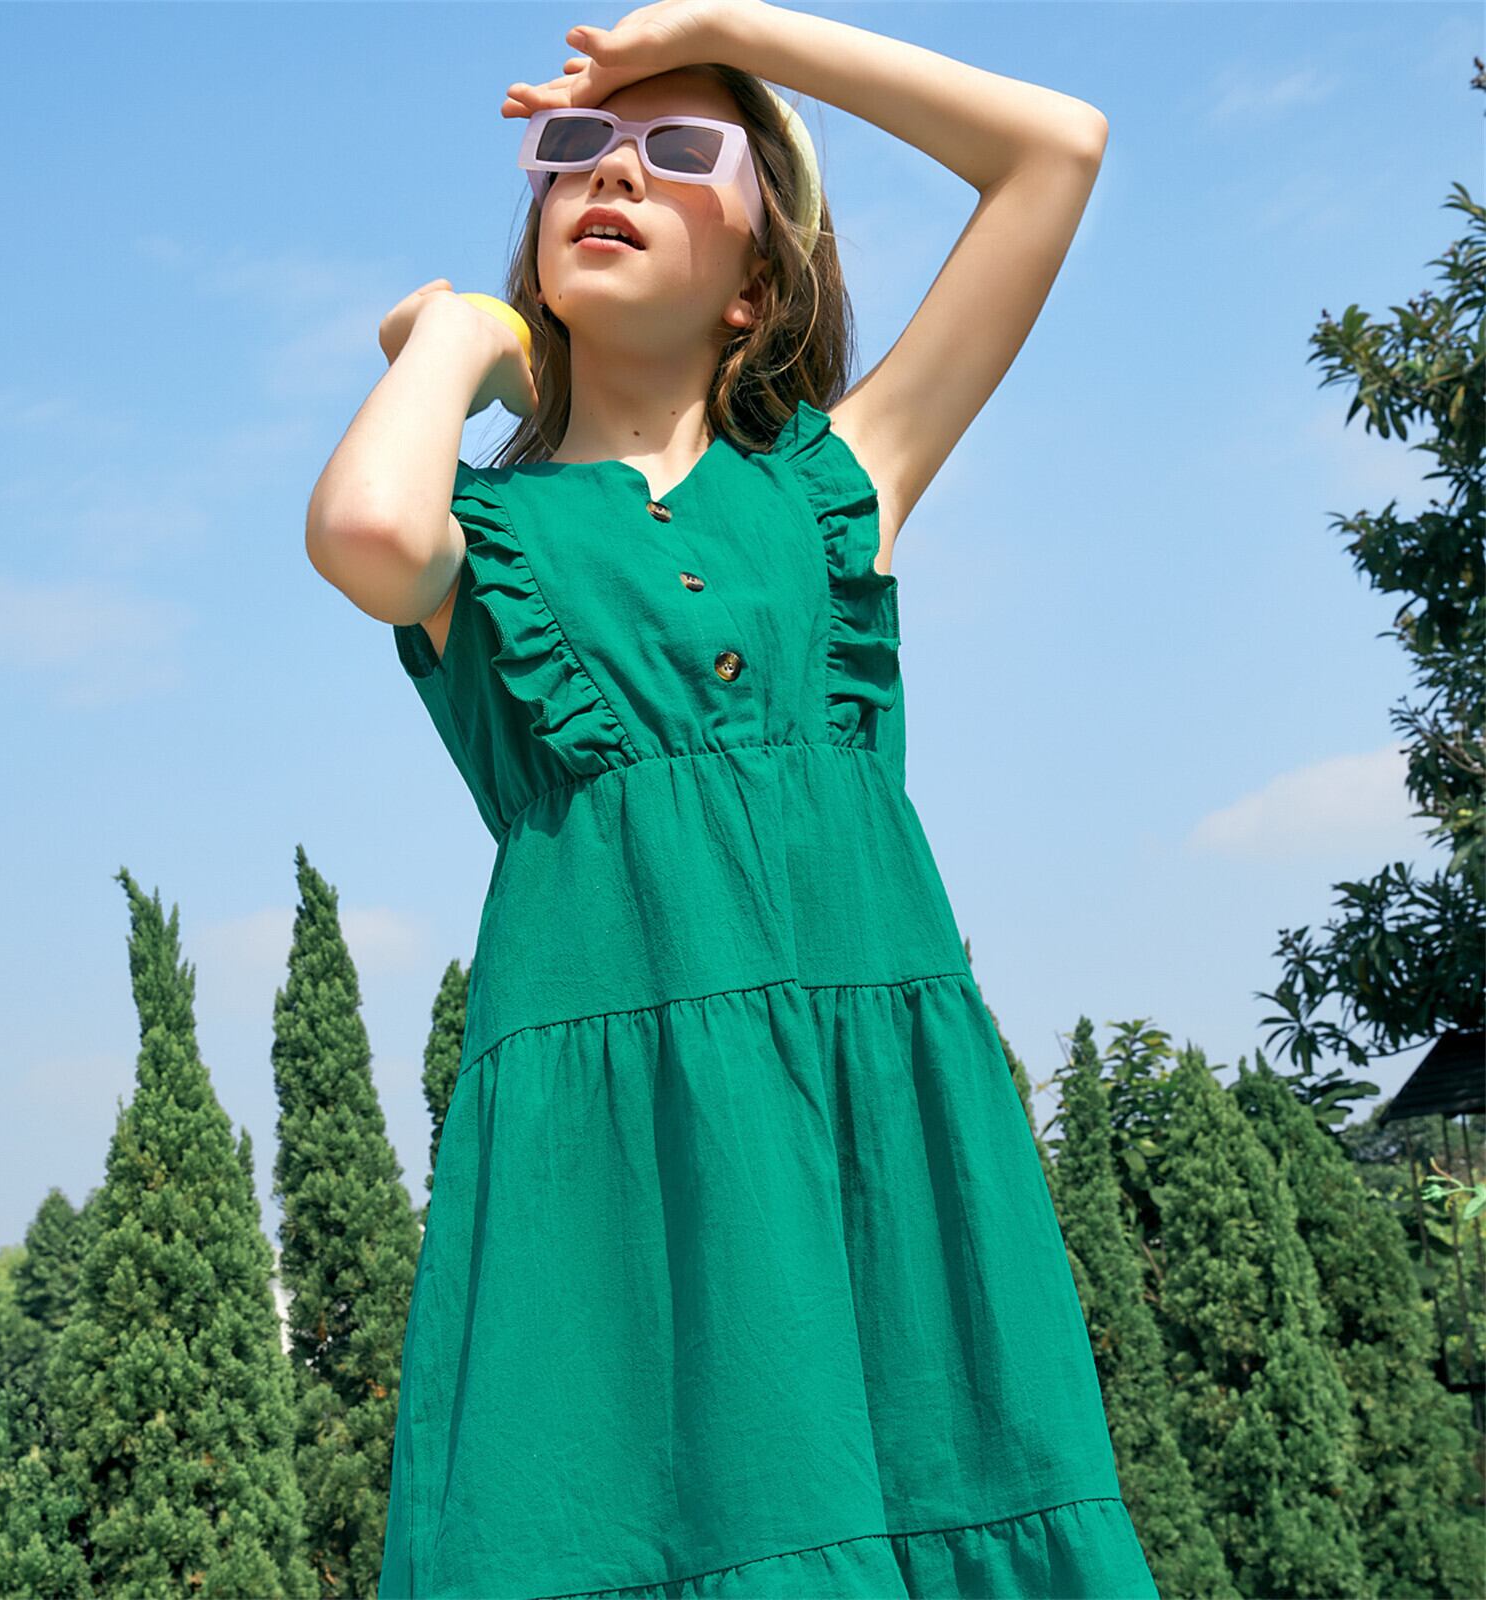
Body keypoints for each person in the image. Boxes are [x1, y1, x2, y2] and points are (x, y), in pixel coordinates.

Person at [308, 3, 1159, 1596]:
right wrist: (454, 343)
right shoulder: (488, 542)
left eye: (680, 146)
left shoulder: (839, 487)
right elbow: (366, 528)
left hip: (872, 1135)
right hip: (616, 1185)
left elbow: (1055, 150)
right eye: (575, 147)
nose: (611, 167)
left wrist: (718, 21)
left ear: (758, 284)